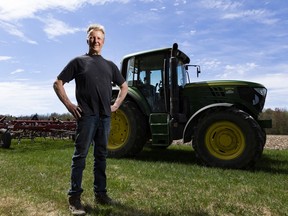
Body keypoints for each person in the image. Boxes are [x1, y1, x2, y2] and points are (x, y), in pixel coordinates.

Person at [53, 23, 128, 215]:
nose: (96, 41)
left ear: (104, 41)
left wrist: (116, 105)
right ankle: (75, 198)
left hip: (105, 118)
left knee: (101, 157)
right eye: (93, 37)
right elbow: (58, 83)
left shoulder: (110, 65)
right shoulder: (79, 62)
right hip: (86, 117)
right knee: (80, 157)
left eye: (99, 38)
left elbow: (124, 86)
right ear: (87, 39)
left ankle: (100, 194)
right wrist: (69, 105)